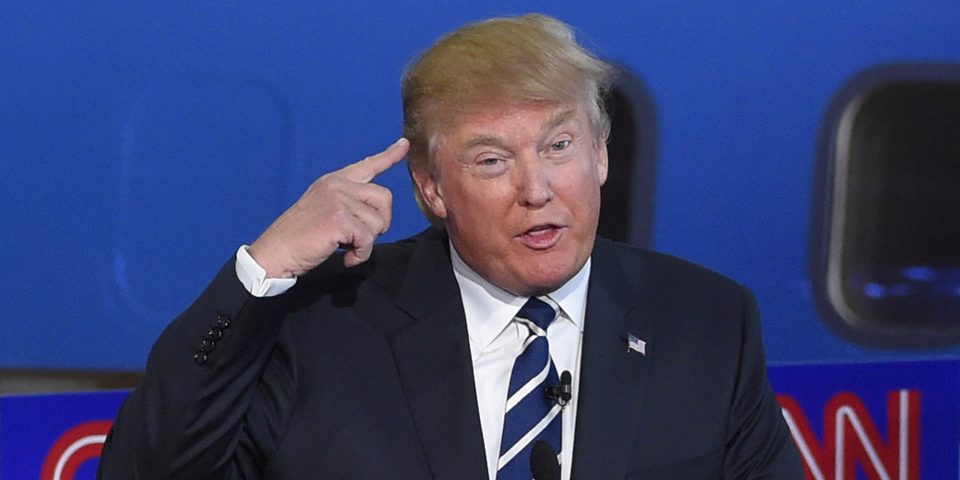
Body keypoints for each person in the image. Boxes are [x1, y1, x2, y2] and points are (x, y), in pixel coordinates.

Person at [98, 13, 803, 480]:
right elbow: (150, 469)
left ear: (601, 157)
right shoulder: (323, 327)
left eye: (559, 146)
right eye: (492, 161)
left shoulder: (705, 322)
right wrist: (265, 269)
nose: (538, 189)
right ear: (432, 188)